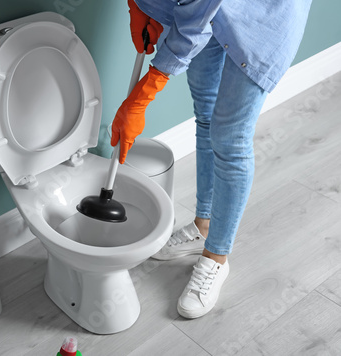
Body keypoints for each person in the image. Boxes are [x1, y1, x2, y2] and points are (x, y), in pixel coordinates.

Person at [111, 0, 312, 319]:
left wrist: (144, 94)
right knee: (205, 115)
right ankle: (203, 225)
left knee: (230, 135)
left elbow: (197, 14)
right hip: (208, 9)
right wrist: (138, 6)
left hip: (264, 15)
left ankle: (216, 257)